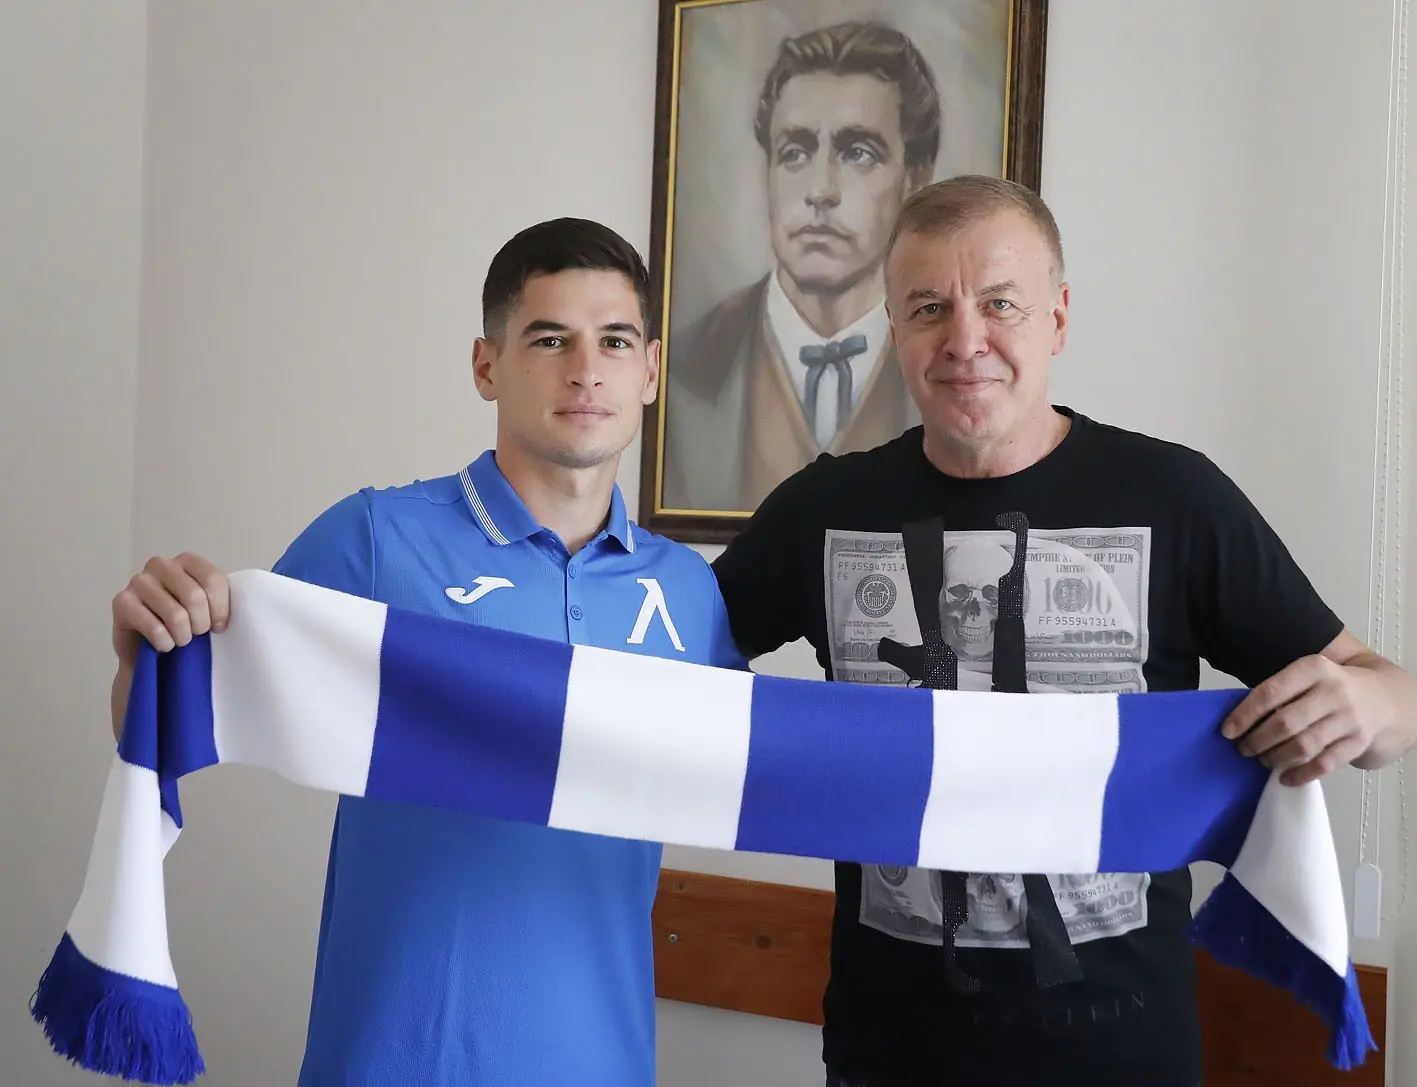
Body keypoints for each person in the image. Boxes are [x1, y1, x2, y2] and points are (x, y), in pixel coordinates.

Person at [710, 174, 1417, 1087]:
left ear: (1058, 317)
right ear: (893, 327)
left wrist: (1367, 704)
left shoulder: (1175, 496)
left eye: (999, 303)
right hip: (886, 1056)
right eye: (928, 308)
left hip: (1123, 1057)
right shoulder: (822, 509)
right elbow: (661, 677)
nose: (964, 340)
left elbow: (1390, 702)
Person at [107, 218, 745, 1086]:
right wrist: (144, 653)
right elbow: (170, 724)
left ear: (651, 370)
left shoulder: (687, 592)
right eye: (548, 339)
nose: (585, 369)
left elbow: (755, 780)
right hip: (391, 1059)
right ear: (486, 366)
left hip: (604, 1061)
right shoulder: (376, 539)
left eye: (614, 341)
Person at [662, 20, 936, 514]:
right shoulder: (687, 365)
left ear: (915, 180)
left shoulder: (953, 362)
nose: (820, 191)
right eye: (795, 153)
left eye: (858, 153)